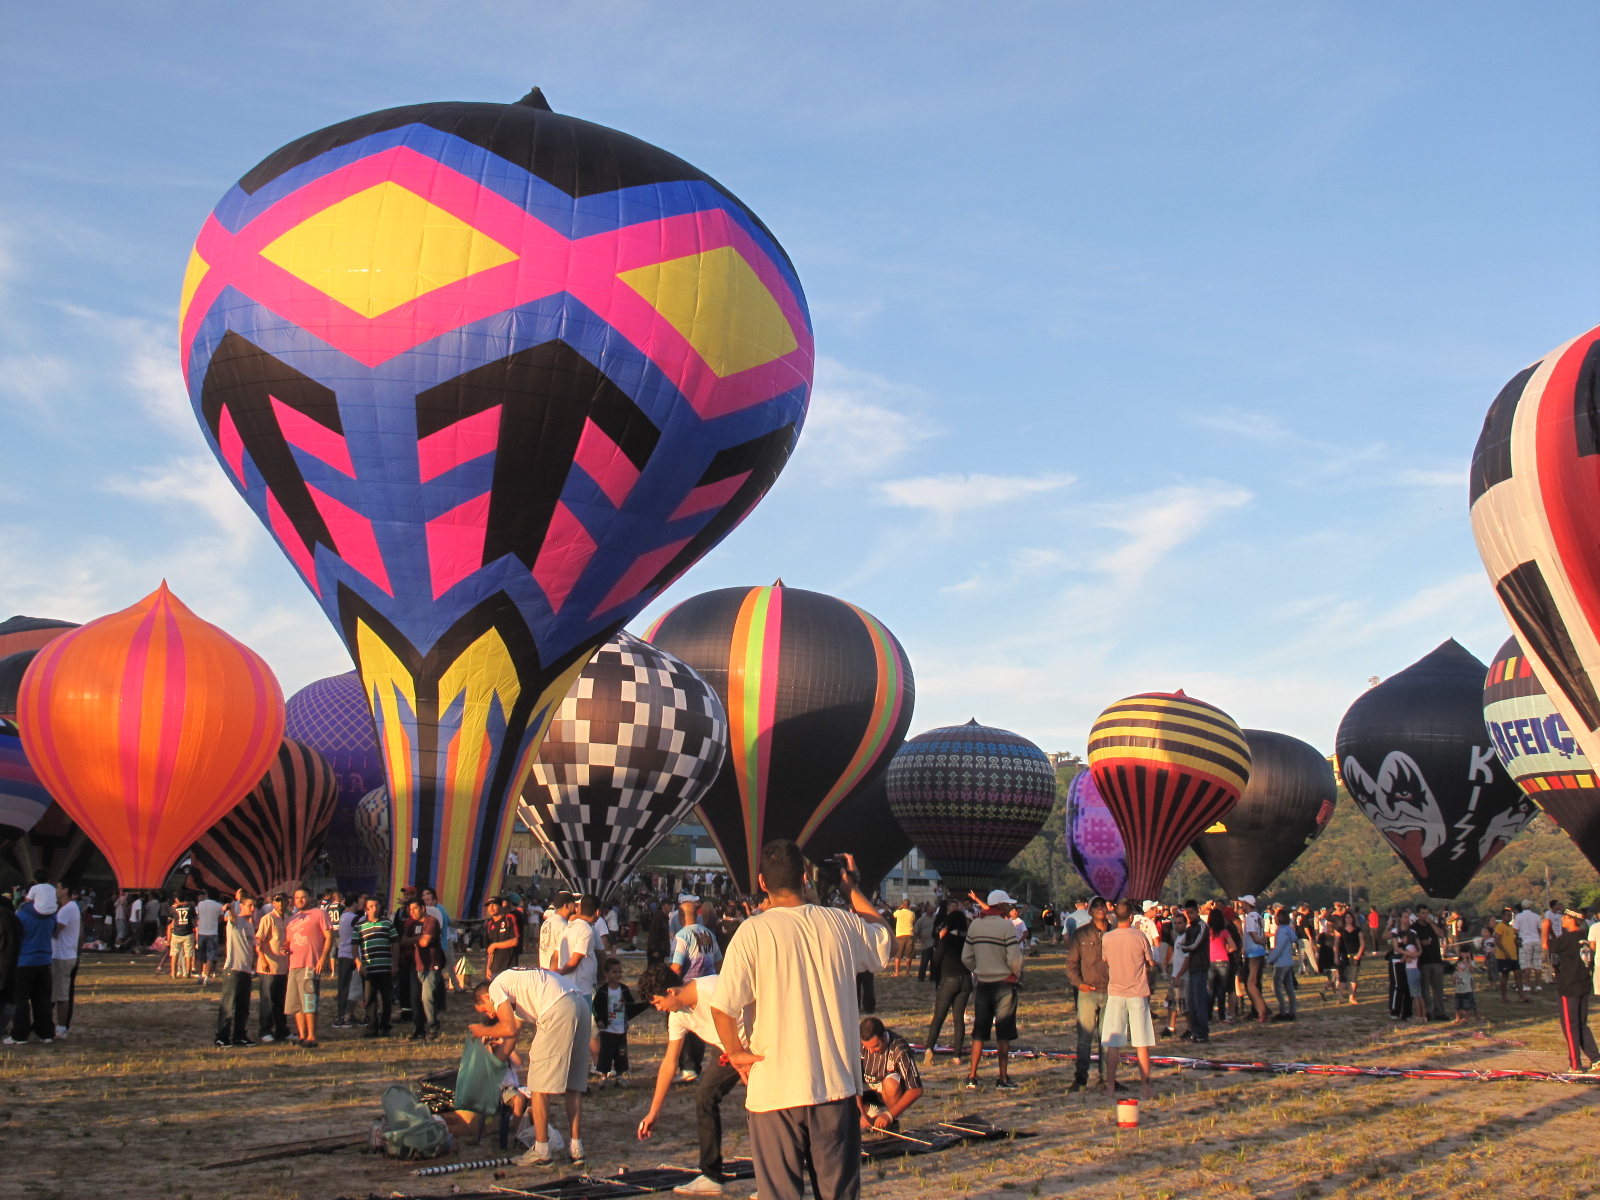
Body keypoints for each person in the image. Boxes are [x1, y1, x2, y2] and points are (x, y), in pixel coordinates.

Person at [710, 841, 890, 1200]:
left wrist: (737, 1052)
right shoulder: (840, 923)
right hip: (834, 1085)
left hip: (774, 1088)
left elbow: (722, 1008)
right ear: (805, 877)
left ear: (763, 882)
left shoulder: (752, 932)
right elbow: (885, 941)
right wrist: (850, 888)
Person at [637, 962, 745, 1196]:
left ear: (671, 991)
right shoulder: (678, 1016)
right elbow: (669, 1062)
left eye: (657, 1003)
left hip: (754, 1042)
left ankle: (778, 1178)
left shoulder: (713, 991)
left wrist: (742, 1058)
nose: (659, 1009)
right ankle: (711, 1176)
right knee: (705, 1097)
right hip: (727, 1051)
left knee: (764, 1108)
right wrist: (653, 1112)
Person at [469, 966, 591, 1167]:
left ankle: (542, 1151)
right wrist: (493, 1067)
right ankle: (577, 1149)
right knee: (572, 1086)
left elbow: (507, 1028)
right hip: (580, 1003)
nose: (490, 1016)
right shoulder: (516, 987)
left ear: (485, 997)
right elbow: (512, 1036)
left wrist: (483, 1030)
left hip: (557, 1006)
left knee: (538, 1087)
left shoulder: (496, 987)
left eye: (485, 1010)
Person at [962, 888, 1024, 1091]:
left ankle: (972, 1076)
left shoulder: (975, 925)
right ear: (1002, 905)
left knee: (979, 1031)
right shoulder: (1007, 926)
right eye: (1007, 904)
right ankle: (1003, 1078)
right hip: (1004, 984)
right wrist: (1015, 973)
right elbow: (1014, 958)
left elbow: (966, 957)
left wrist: (979, 969)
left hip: (983, 983)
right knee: (1003, 1032)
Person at [1101, 901, 1155, 1098]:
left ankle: (1110, 1087)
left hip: (1116, 992)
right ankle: (1145, 1087)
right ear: (1131, 917)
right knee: (1142, 1042)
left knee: (1113, 1043)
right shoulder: (1140, 936)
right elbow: (1150, 961)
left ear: (1115, 916)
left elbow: (1105, 959)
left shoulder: (1108, 937)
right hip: (1137, 992)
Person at [670, 895, 720, 1080]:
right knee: (699, 1028)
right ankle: (696, 1066)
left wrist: (671, 986)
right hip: (707, 987)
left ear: (680, 917)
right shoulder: (709, 934)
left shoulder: (681, 936)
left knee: (683, 1026)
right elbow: (719, 961)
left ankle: (687, 1068)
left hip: (687, 987)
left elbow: (676, 966)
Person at [1064, 897, 1112, 1091]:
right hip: (1088, 992)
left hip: (1110, 991)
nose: (1100, 909)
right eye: (1096, 906)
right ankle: (1081, 1078)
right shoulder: (1081, 934)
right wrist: (1080, 984)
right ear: (1089, 911)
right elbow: (1071, 963)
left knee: (1107, 1039)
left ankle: (1107, 1078)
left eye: (1103, 905)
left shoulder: (1115, 933)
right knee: (1084, 1038)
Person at [923, 909, 972, 1067]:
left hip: (949, 979)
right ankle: (957, 1055)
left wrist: (941, 939)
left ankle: (929, 1049)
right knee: (959, 1019)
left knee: (939, 1017)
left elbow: (936, 959)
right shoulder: (968, 939)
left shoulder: (947, 939)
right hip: (965, 979)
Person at [4, 891, 54, 1044]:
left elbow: (16, 936)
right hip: (44, 961)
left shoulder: (22, 916)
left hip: (24, 961)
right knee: (43, 1000)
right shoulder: (52, 916)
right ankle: (46, 1033)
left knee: (21, 1000)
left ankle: (20, 1034)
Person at [1552, 909, 1598, 1071]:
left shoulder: (1569, 937)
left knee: (1570, 1026)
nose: (1562, 920)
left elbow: (1548, 946)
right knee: (1581, 1024)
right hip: (1583, 984)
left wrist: (1545, 929)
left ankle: (1575, 1063)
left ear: (1572, 920)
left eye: (1564, 917)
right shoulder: (1583, 937)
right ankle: (1596, 1058)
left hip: (1569, 987)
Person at [285, 886, 332, 1047]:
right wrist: (284, 947)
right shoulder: (292, 919)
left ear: (310, 898)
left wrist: (323, 958)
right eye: (297, 898)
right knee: (297, 1003)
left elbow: (329, 936)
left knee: (309, 1000)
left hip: (310, 963)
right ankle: (302, 1035)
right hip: (294, 964)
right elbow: (289, 940)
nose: (300, 900)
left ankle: (312, 1036)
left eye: (303, 897)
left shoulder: (319, 914)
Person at [858, 1017, 923, 1131]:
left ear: (884, 1036)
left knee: (891, 1083)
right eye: (867, 1047)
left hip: (887, 1090)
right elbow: (852, 1082)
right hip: (864, 1090)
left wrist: (889, 1115)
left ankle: (890, 1123)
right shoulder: (856, 1045)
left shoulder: (900, 1048)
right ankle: (870, 1115)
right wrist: (861, 1114)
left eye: (875, 1046)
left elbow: (916, 1089)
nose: (871, 1051)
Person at [591, 957, 642, 1087]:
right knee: (605, 1054)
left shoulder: (624, 989)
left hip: (621, 1029)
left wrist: (644, 1004)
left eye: (620, 972)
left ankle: (620, 1077)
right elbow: (595, 1006)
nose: (618, 975)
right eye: (614, 972)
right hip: (607, 1029)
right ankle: (604, 1077)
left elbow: (631, 1004)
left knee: (621, 1054)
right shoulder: (603, 990)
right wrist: (599, 1020)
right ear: (606, 974)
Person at [215, 895, 257, 1046]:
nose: (252, 908)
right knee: (228, 1005)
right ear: (241, 906)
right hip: (233, 969)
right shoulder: (236, 921)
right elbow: (232, 915)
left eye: (254, 906)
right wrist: (229, 907)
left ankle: (239, 1035)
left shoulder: (250, 926)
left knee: (243, 1007)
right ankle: (222, 1036)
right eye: (249, 905)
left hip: (246, 971)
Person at [400, 897, 444, 1039]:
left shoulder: (431, 921)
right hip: (415, 965)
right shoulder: (411, 924)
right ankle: (418, 1029)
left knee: (427, 997)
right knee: (415, 999)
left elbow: (425, 942)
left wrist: (415, 940)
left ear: (423, 908)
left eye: (415, 908)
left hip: (431, 965)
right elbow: (403, 941)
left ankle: (433, 1026)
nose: (412, 912)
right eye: (410, 909)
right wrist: (419, 938)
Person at [355, 897, 396, 1037]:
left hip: (385, 967)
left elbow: (395, 943)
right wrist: (359, 963)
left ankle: (385, 1026)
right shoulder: (360, 926)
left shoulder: (387, 923)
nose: (374, 909)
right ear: (366, 909)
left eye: (376, 906)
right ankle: (372, 1027)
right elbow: (354, 947)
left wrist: (395, 963)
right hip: (369, 968)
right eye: (371, 906)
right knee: (369, 999)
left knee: (386, 999)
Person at [255, 892, 290, 1043]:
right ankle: (265, 1030)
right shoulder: (267, 919)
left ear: (288, 902)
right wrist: (263, 960)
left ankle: (282, 1030)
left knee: (280, 1000)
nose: (280, 904)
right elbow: (259, 941)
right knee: (267, 1000)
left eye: (283, 901)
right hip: (269, 966)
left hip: (283, 966)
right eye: (277, 901)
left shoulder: (289, 919)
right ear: (273, 903)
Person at [1173, 899, 1210, 1043]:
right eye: (1188, 913)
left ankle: (1203, 1033)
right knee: (1191, 1003)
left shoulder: (1202, 926)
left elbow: (1193, 945)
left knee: (1200, 1002)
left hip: (1201, 967)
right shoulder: (1189, 929)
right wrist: (1186, 946)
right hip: (1192, 968)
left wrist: (1185, 947)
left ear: (1197, 911)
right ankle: (1195, 1031)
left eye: (1192, 912)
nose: (1190, 916)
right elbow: (1187, 946)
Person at [51, 883, 80, 1036]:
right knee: (57, 992)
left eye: (58, 888)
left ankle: (61, 1027)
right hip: (65, 954)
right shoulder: (70, 908)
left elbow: (54, 931)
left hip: (62, 956)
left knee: (61, 994)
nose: (56, 891)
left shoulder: (67, 909)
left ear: (66, 890)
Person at [1236, 895, 1269, 1022]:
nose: (1241, 905)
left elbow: (1254, 936)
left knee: (1250, 983)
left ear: (1247, 904)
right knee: (1256, 982)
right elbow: (1263, 934)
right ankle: (1256, 1010)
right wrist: (1263, 944)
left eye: (1242, 903)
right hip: (1259, 952)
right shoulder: (1259, 916)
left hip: (1252, 952)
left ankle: (1263, 1010)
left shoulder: (1249, 918)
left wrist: (1258, 941)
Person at [331, 895, 360, 1028]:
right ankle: (343, 1015)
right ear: (354, 903)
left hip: (343, 953)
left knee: (343, 985)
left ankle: (343, 1014)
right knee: (349, 986)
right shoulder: (354, 918)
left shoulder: (343, 915)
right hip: (350, 954)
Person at [1414, 905, 1447, 1020]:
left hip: (1436, 960)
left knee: (1438, 989)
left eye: (1427, 913)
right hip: (1423, 961)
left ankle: (1439, 1012)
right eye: (1423, 913)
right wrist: (1421, 943)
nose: (1425, 915)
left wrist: (1431, 923)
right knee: (1425, 989)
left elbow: (1441, 934)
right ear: (1418, 914)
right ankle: (1427, 1011)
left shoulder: (1432, 925)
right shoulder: (1414, 928)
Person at [1267, 905, 1298, 1021]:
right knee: (1289, 988)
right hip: (1289, 962)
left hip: (1281, 963)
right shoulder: (1289, 929)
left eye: (1275, 917)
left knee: (1276, 987)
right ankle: (1292, 1012)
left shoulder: (1281, 931)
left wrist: (1269, 960)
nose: (1274, 919)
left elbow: (1278, 949)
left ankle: (1283, 1012)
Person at [485, 896, 521, 980]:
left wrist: (495, 945)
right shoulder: (489, 924)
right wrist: (488, 968)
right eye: (489, 905)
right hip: (495, 967)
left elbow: (515, 941)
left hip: (509, 966)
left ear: (501, 906)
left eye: (494, 905)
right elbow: (489, 950)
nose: (491, 908)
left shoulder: (509, 919)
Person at [196, 889, 223, 988]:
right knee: (211, 956)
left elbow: (198, 915)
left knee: (200, 955)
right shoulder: (219, 906)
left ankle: (199, 976)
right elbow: (220, 919)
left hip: (201, 932)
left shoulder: (200, 904)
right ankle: (207, 977)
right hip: (212, 932)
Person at [1514, 899, 1544, 990]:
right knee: (1537, 964)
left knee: (1526, 965)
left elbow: (1515, 930)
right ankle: (1538, 985)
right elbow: (1539, 929)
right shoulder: (1536, 916)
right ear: (1529, 906)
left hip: (1526, 941)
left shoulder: (1519, 916)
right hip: (1536, 940)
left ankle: (1527, 985)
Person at [541, 891, 575, 969]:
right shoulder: (563, 926)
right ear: (567, 906)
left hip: (544, 967)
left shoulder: (547, 921)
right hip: (556, 970)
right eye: (573, 903)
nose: (575, 906)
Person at [168, 892, 197, 980]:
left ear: (176, 899)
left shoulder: (173, 908)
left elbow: (171, 921)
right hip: (188, 931)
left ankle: (173, 972)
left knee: (174, 953)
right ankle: (188, 972)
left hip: (177, 932)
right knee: (188, 954)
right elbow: (194, 918)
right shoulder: (190, 907)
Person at [1338, 913, 1364, 1005]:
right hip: (1343, 955)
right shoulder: (1340, 929)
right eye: (1347, 917)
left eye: (1350, 917)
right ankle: (1340, 997)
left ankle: (1351, 997)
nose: (1349, 919)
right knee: (1342, 977)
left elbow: (1362, 943)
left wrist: (1359, 955)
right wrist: (1336, 956)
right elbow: (1336, 944)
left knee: (1353, 976)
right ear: (1344, 919)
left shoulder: (1358, 929)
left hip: (1355, 955)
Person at [891, 900, 916, 977]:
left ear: (902, 905)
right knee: (909, 955)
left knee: (898, 955)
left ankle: (897, 972)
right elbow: (913, 921)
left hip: (900, 935)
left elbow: (894, 915)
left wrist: (900, 907)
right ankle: (907, 972)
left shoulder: (899, 912)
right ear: (909, 905)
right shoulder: (912, 913)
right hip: (909, 934)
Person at [1452, 953, 1477, 1025]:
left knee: (1466, 1007)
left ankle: (1466, 1018)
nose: (1462, 964)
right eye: (1460, 963)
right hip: (1458, 992)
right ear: (1456, 967)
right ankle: (1458, 1018)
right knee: (1457, 1006)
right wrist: (1455, 978)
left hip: (1466, 992)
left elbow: (1468, 965)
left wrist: (1467, 958)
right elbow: (1454, 982)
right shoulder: (1456, 973)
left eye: (1463, 963)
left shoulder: (1466, 972)